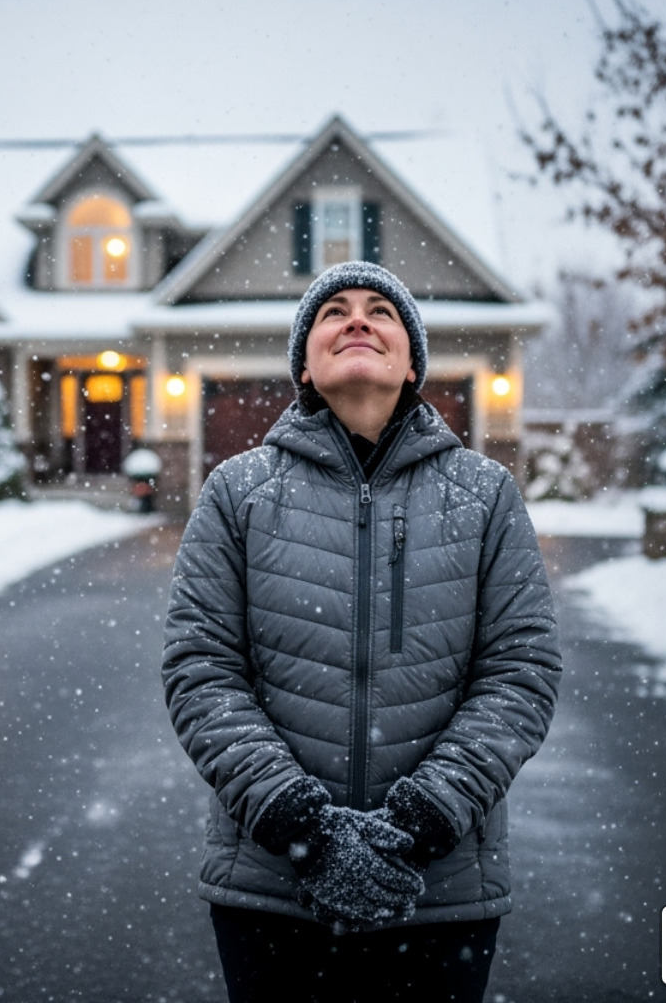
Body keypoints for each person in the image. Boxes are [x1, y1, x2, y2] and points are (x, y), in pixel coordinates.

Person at [162, 261, 562, 1003]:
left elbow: (521, 671)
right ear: (305, 370)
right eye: (332, 312)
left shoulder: (484, 495)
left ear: (411, 365)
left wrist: (422, 820)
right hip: (272, 887)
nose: (356, 319)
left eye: (381, 310)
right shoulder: (236, 493)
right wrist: (301, 826)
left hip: (438, 888)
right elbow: (201, 670)